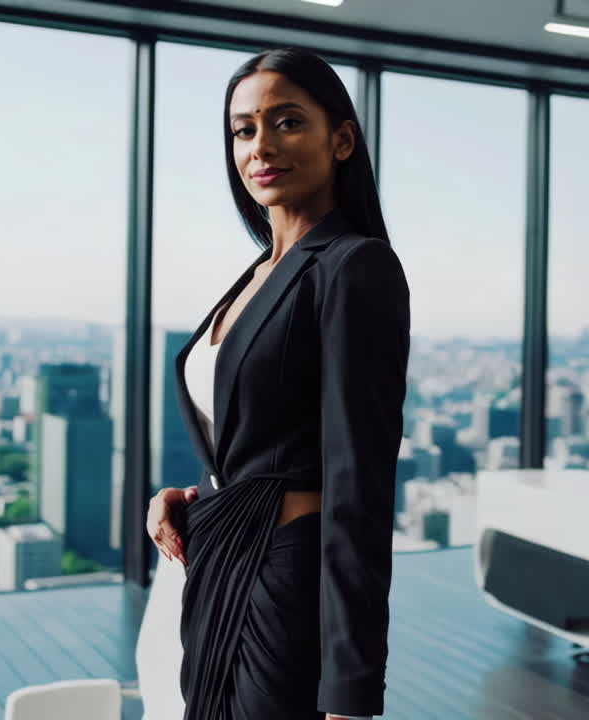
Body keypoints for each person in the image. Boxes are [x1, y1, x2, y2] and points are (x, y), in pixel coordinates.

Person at [144, 46, 410, 720]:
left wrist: (351, 691)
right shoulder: (259, 273)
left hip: (286, 583)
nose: (260, 145)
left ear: (341, 138)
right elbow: (258, 429)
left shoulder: (355, 266)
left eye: (287, 121)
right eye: (243, 129)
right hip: (220, 561)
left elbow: (359, 484)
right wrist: (192, 496)